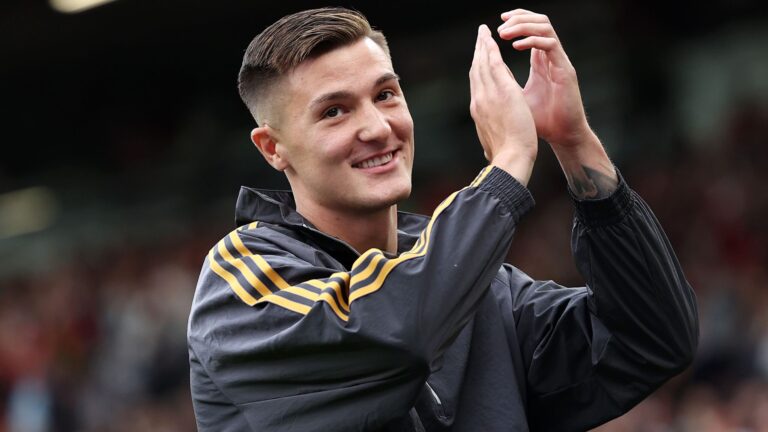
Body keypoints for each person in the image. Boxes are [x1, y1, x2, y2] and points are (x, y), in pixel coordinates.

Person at [187, 6, 698, 431]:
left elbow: (652, 340)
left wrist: (573, 140)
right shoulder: (240, 281)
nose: (377, 127)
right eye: (334, 112)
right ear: (272, 148)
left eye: (385, 95)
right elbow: (397, 337)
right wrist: (509, 162)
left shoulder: (477, 282)